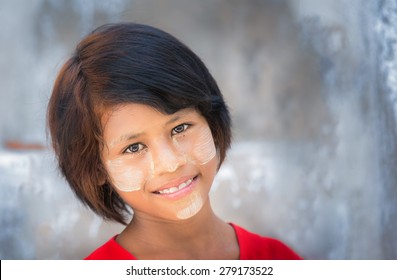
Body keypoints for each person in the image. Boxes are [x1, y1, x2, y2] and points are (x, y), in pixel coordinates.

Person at [47, 22, 301, 260]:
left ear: (211, 122)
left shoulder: (276, 257)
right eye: (133, 147)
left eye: (180, 128)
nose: (170, 163)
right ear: (97, 168)